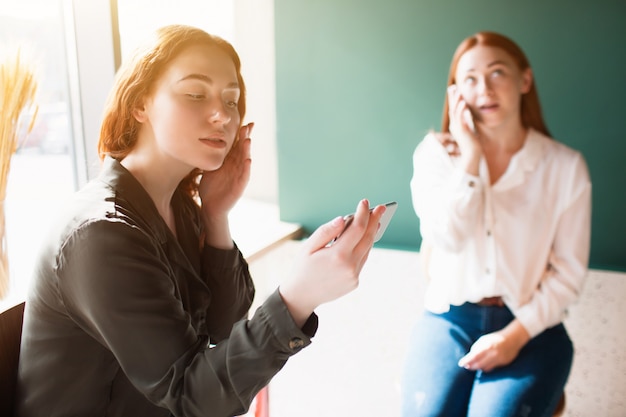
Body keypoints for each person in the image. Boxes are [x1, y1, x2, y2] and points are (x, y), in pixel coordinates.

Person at [16, 24, 386, 417]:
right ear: (140, 103)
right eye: (195, 93)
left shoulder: (180, 208)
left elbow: (224, 327)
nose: (221, 115)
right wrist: (298, 299)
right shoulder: (101, 234)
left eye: (232, 100)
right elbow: (191, 397)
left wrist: (216, 215)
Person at [401, 31, 591, 417]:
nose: (484, 88)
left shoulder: (565, 167)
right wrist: (469, 160)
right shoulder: (436, 155)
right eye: (469, 78)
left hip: (531, 327)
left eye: (497, 72)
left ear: (524, 80)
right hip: (448, 320)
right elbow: (446, 238)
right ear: (456, 93)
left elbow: (569, 273)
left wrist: (514, 336)